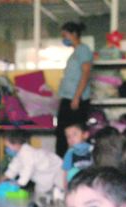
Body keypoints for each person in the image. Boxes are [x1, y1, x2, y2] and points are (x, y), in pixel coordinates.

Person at [2, 130, 64, 207]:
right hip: (43, 175)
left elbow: (28, 169)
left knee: (61, 187)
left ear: (16, 144)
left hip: (55, 168)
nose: (7, 149)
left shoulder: (27, 153)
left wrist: (20, 183)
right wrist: (6, 176)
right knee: (41, 193)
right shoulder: (20, 154)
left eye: (8, 146)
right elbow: (15, 166)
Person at [55, 21, 93, 158]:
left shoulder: (83, 50)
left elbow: (85, 73)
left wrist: (77, 97)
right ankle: (63, 162)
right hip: (68, 98)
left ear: (74, 34)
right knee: (62, 133)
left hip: (76, 99)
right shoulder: (75, 53)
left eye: (65, 35)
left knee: (75, 133)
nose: (63, 39)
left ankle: (79, 160)